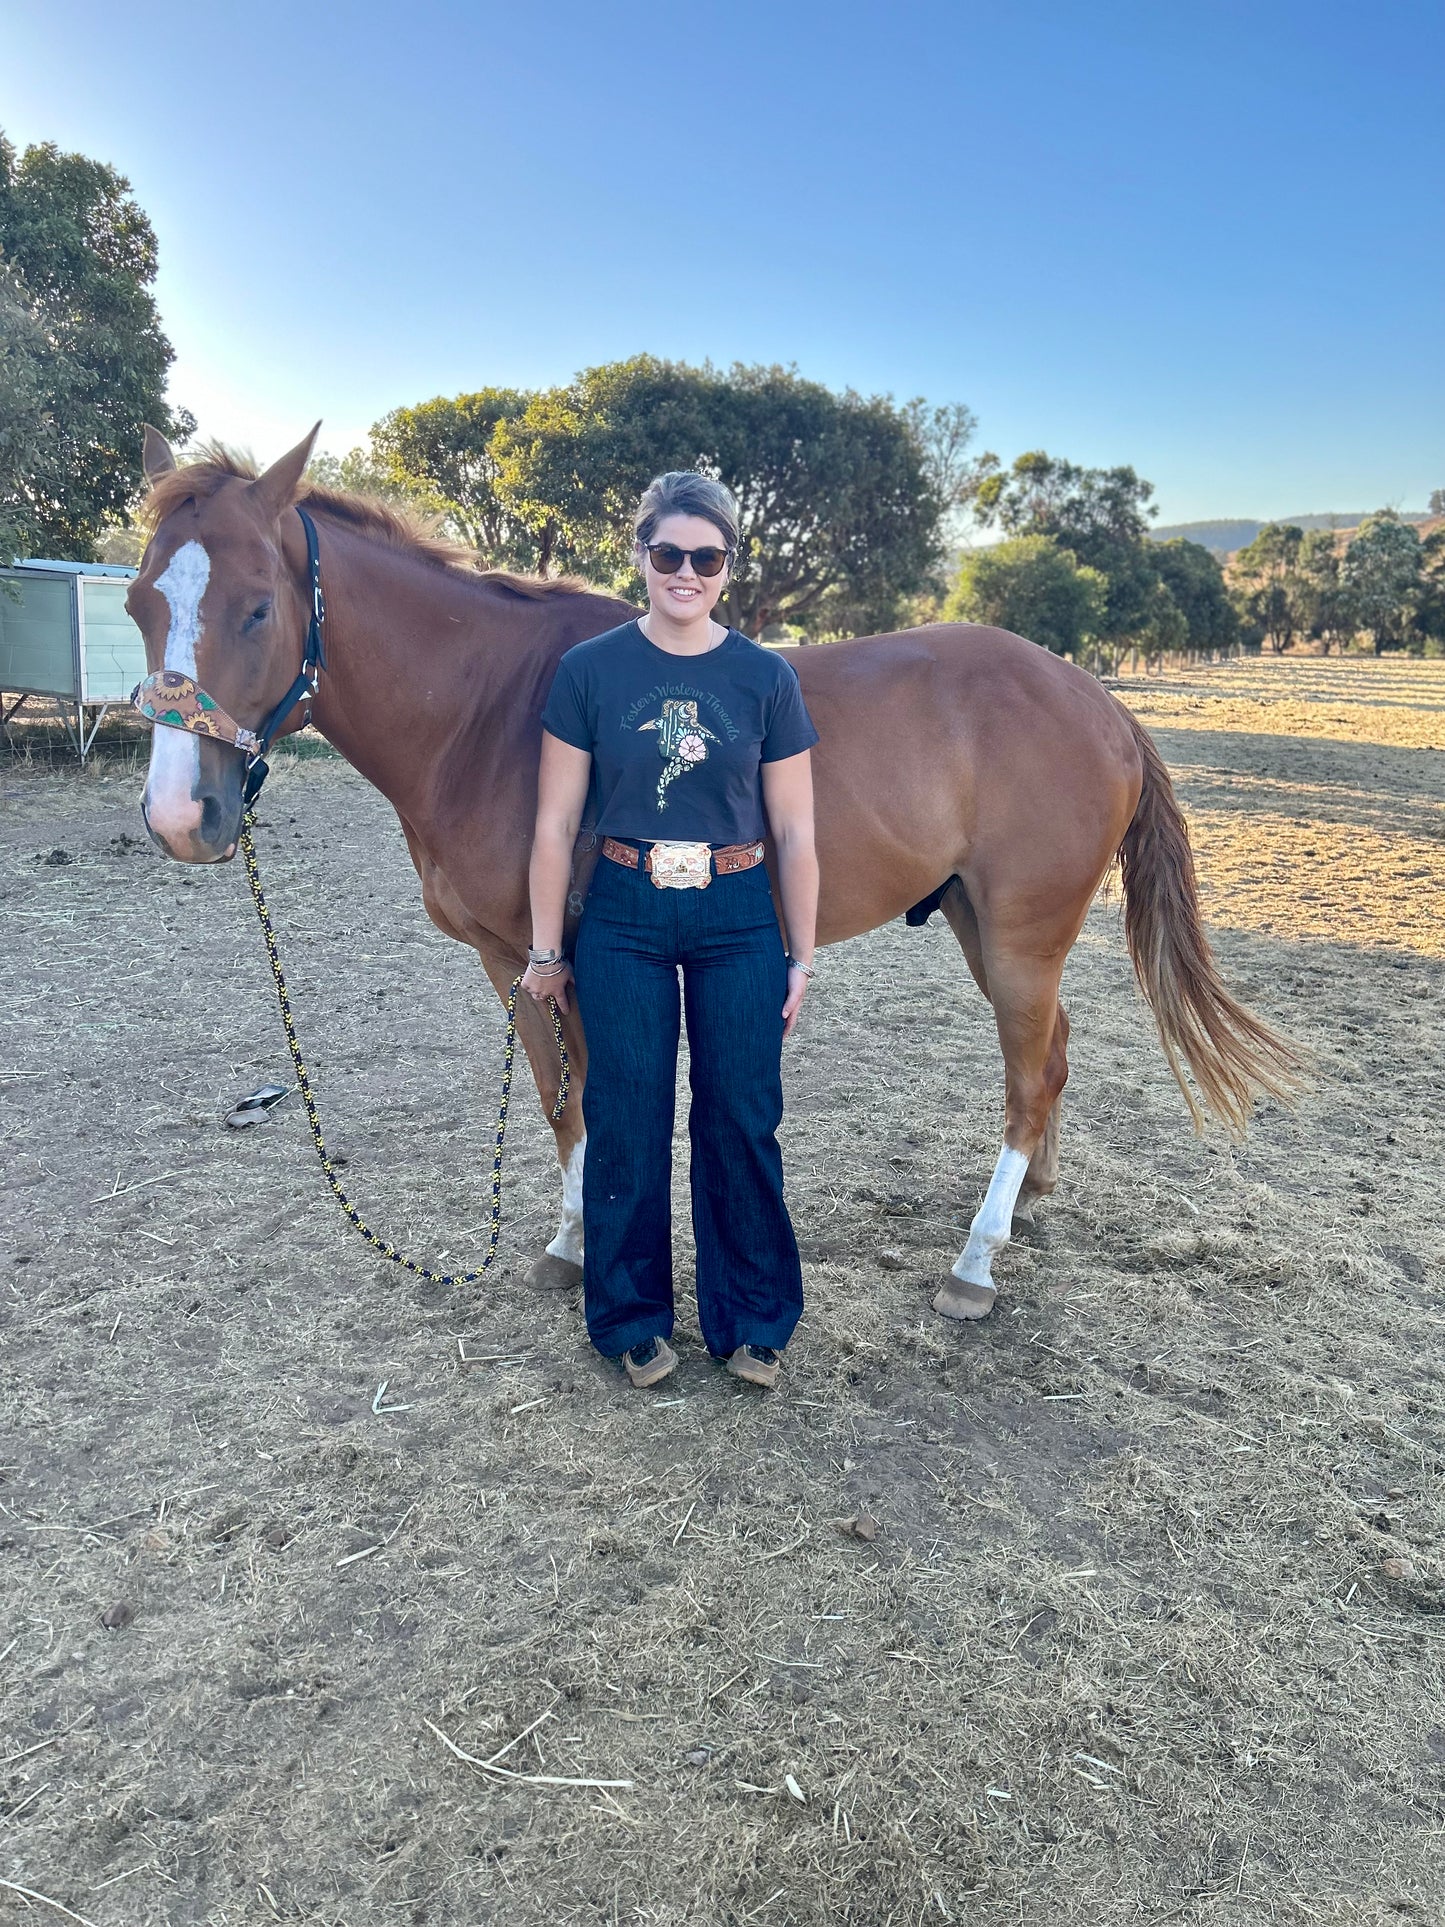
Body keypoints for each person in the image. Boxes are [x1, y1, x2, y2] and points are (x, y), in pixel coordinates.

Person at [522, 471, 819, 1391]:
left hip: (736, 915)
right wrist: (543, 950)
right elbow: (552, 823)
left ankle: (754, 1319)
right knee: (627, 1114)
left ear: (727, 565)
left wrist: (801, 952)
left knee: (740, 1114)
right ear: (641, 556)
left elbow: (797, 829)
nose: (685, 572)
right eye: (668, 555)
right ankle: (628, 1315)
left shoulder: (766, 677)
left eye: (706, 557)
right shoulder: (589, 672)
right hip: (624, 910)